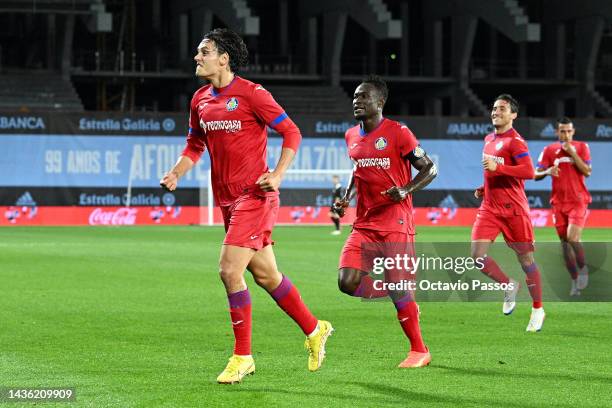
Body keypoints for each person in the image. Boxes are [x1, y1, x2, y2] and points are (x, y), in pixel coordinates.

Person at [160, 28, 333, 384]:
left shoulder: (253, 94)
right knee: (267, 275)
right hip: (226, 200)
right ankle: (315, 329)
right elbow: (194, 144)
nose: (197, 57)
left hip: (255, 196)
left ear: (223, 58)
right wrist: (176, 172)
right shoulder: (200, 100)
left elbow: (292, 132)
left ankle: (243, 357)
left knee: (228, 270)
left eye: (203, 52)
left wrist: (279, 174)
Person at [334, 75, 437, 368]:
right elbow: (357, 170)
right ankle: (403, 296)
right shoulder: (351, 135)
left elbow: (430, 169)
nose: (357, 101)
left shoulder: (399, 132)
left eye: (364, 97)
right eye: (355, 96)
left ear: (380, 102)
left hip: (396, 222)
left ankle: (419, 350)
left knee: (399, 287)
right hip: (365, 223)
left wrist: (406, 189)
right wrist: (346, 197)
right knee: (347, 282)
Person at [471, 94, 545, 332]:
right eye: (494, 108)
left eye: (502, 109)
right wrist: (485, 187)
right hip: (490, 208)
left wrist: (498, 168)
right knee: (477, 256)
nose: (496, 112)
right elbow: (494, 172)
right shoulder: (488, 139)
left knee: (526, 261)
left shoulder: (516, 141)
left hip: (514, 210)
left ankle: (537, 309)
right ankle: (508, 284)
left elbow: (529, 171)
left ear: (513, 114)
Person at [535, 117, 592, 296]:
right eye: (562, 131)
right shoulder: (549, 150)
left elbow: (587, 171)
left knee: (573, 238)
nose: (566, 134)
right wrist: (547, 171)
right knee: (565, 245)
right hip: (558, 203)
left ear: (573, 132)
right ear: (557, 132)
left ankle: (583, 268)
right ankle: (574, 281)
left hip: (578, 200)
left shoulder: (582, 147)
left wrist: (572, 153)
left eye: (569, 131)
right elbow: (536, 174)